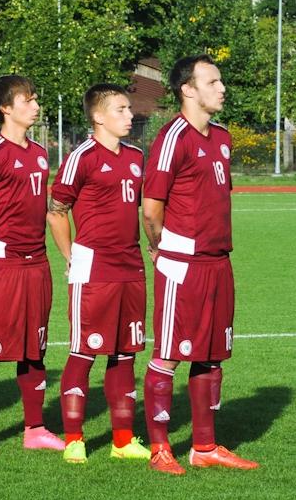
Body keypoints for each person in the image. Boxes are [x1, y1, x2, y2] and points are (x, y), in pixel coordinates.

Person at [141, 55, 259, 474]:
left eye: (221, 80)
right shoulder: (174, 136)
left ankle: (205, 447)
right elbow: (151, 208)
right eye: (212, 81)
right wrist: (162, 250)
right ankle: (160, 449)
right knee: (169, 353)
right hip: (183, 263)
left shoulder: (223, 138)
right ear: (187, 89)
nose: (222, 87)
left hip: (218, 262)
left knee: (211, 355)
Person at [47, 84, 150, 463]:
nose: (129, 116)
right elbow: (56, 210)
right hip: (94, 269)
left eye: (128, 109)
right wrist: (70, 255)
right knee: (84, 351)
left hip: (132, 268)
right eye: (120, 110)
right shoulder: (82, 157)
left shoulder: (137, 157)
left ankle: (122, 440)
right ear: (98, 117)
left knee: (126, 353)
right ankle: (74, 437)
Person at [0, 75, 64, 456]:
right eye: (27, 100)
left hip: (37, 264)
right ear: (6, 108)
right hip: (3, 267)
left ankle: (34, 428)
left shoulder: (39, 152)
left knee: (34, 348)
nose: (35, 106)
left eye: (36, 99)